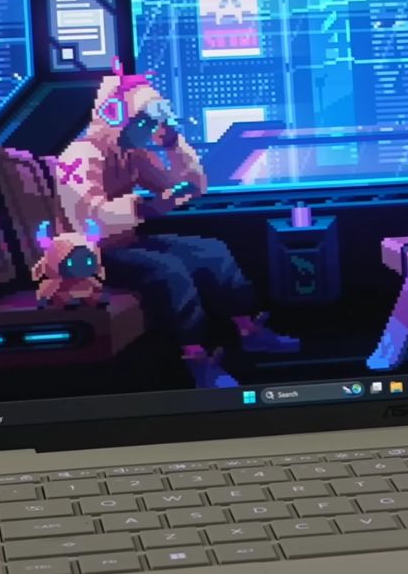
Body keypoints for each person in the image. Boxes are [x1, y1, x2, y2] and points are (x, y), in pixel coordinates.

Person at [54, 60, 297, 388]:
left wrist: (172, 144)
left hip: (125, 241)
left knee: (211, 250)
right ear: (114, 115)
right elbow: (89, 219)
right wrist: (142, 206)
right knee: (168, 270)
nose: (147, 129)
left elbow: (192, 185)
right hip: (88, 253)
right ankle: (197, 358)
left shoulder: (132, 154)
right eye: (143, 121)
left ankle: (247, 329)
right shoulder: (81, 156)